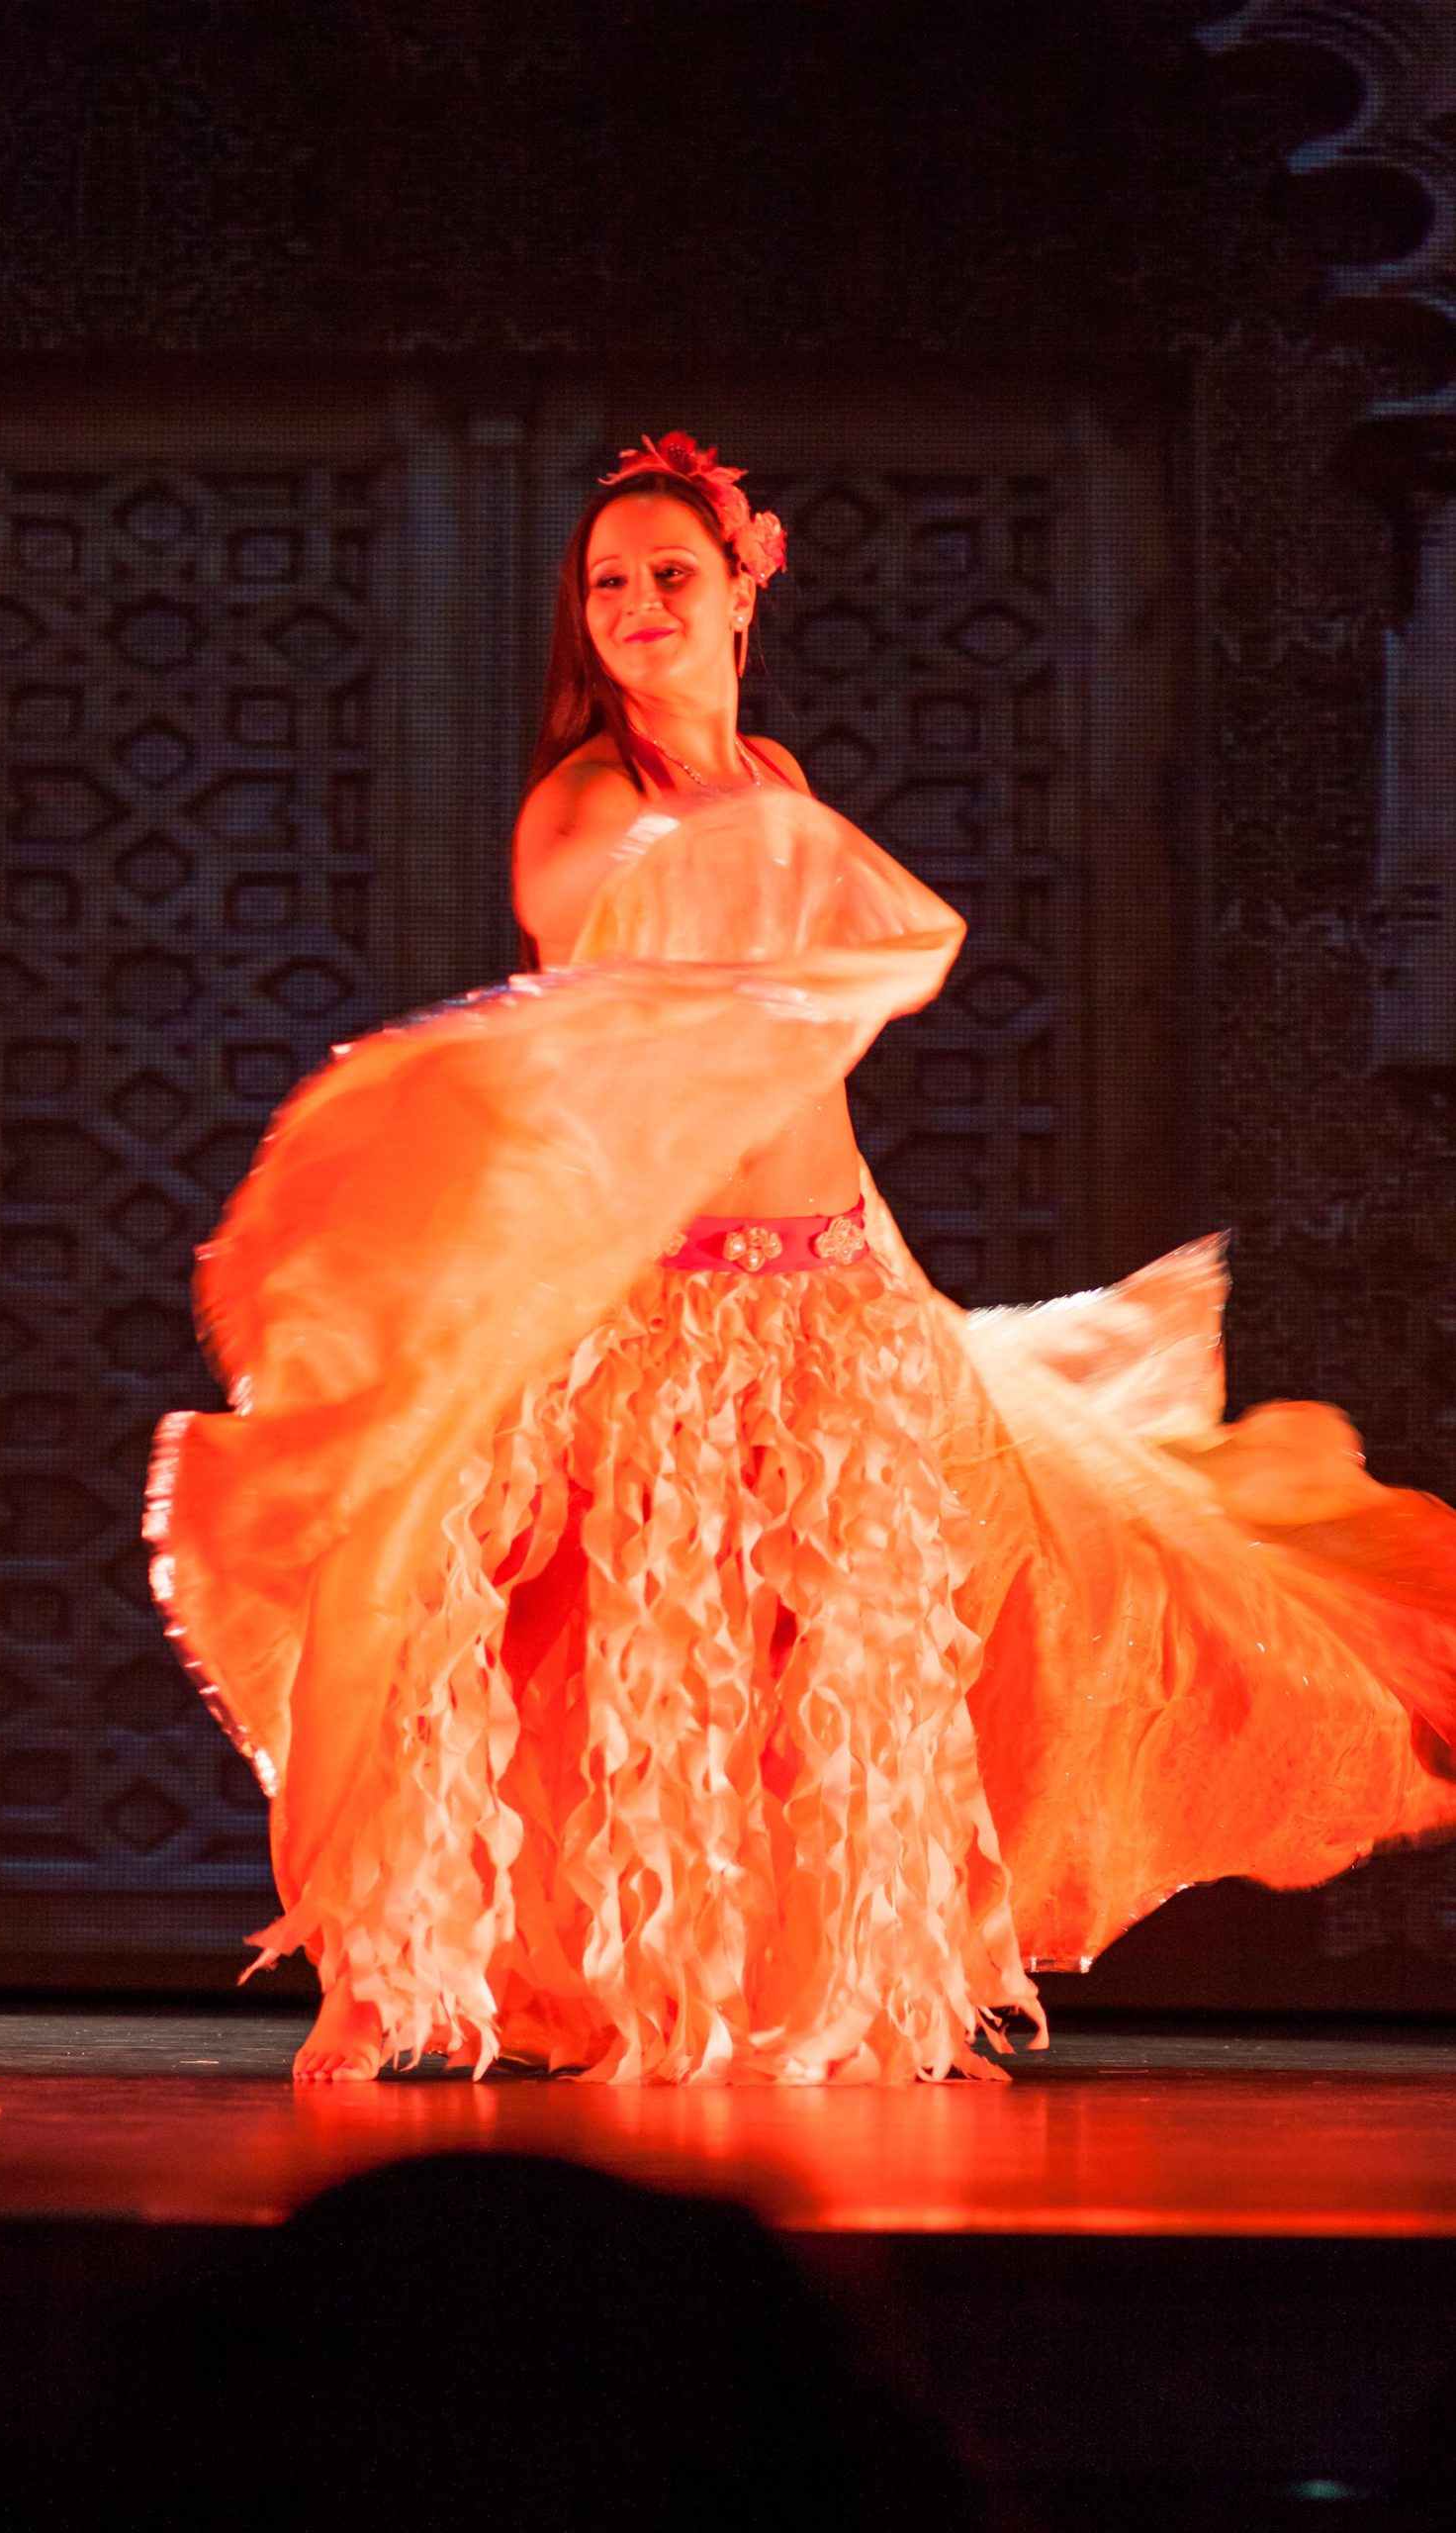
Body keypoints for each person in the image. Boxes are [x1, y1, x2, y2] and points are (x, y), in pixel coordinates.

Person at [147, 430, 1456, 2085]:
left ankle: (812, 1994)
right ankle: (596, 1987)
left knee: (855, 1668)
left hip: (834, 1296)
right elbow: (575, 915)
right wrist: (689, 860)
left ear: (740, 592)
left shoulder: (769, 775)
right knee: (626, 1661)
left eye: (668, 575)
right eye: (608, 584)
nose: (637, 604)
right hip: (667, 1310)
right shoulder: (592, 796)